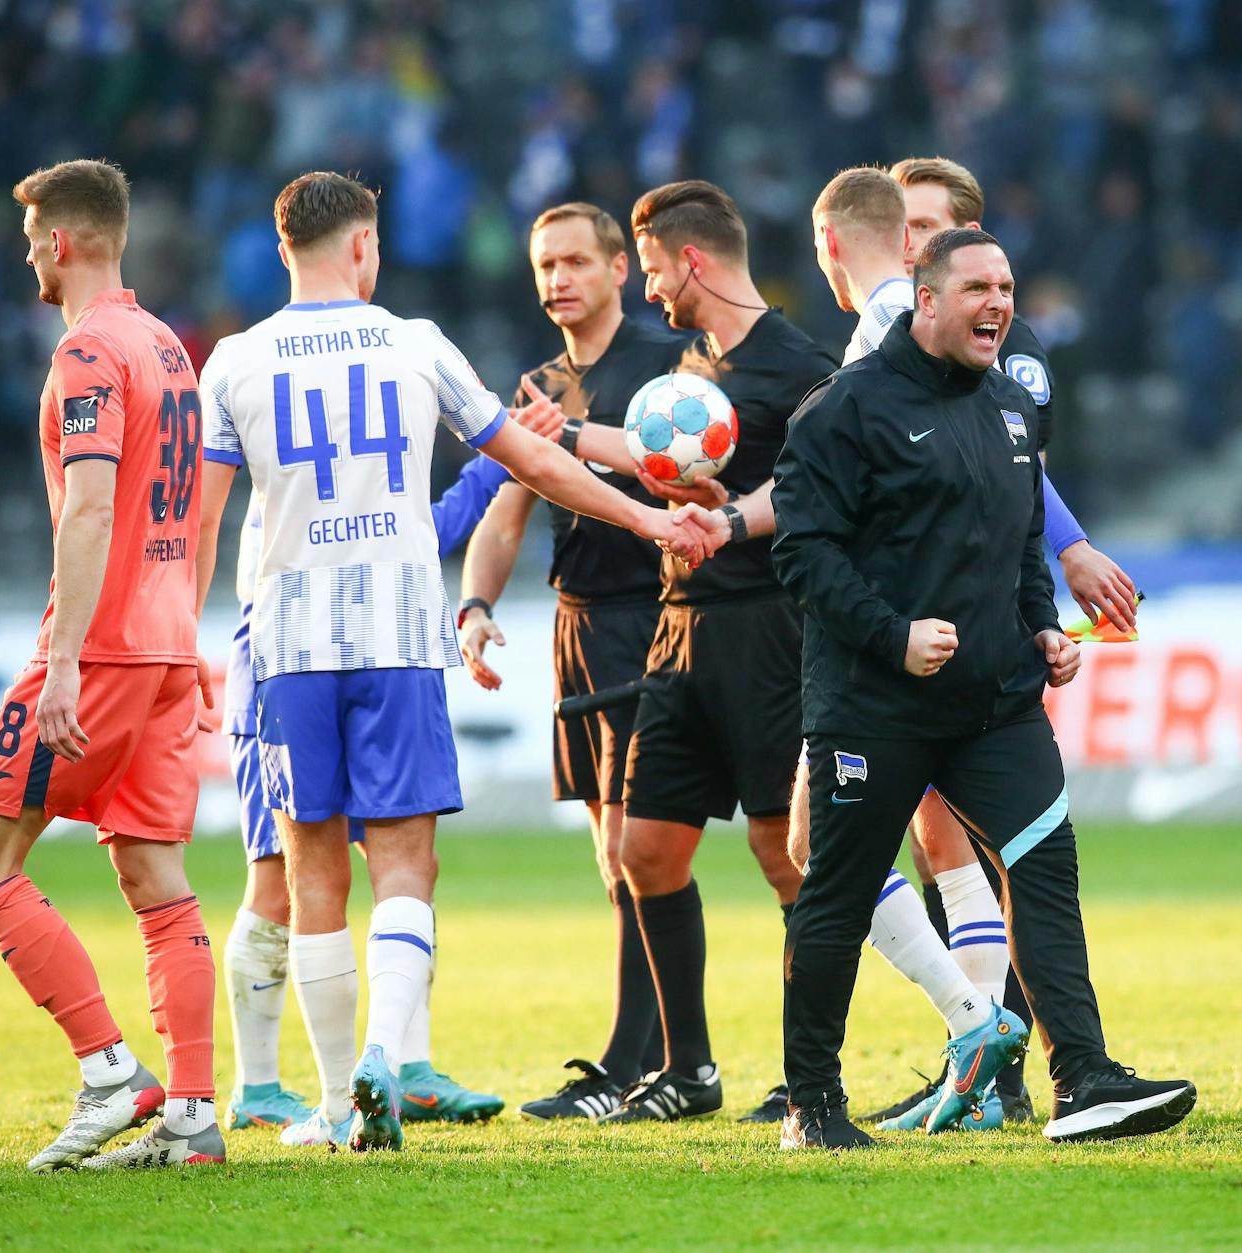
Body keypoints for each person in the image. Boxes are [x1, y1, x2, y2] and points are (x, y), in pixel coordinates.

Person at [194, 172, 702, 1153]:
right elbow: (538, 462)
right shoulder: (413, 343)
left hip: (286, 646)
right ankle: (388, 1054)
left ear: (283, 248)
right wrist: (647, 513)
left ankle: (339, 1100)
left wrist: (177, 643)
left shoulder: (234, 361)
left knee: (309, 876)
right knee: (404, 865)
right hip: (395, 639)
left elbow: (201, 519)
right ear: (364, 248)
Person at [772, 227, 1198, 1149]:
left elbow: (1015, 544)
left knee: (1045, 865)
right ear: (926, 298)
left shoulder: (1011, 408)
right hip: (872, 707)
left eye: (1005, 288)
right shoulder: (842, 410)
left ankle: (1082, 1076)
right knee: (837, 898)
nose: (998, 304)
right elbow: (801, 554)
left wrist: (1042, 624)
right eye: (977, 288)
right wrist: (894, 636)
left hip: (995, 707)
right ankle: (812, 1103)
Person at [817, 155, 1139, 1125]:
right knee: (938, 842)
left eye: (928, 228)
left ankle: (987, 1048)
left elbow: (1002, 465)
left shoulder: (1005, 351)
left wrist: (1069, 548)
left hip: (963, 633)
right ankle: (981, 1055)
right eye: (905, 229)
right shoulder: (884, 336)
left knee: (961, 845)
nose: (909, 244)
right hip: (900, 629)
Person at [516, 179, 834, 1125]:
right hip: (676, 625)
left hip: (768, 631)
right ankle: (688, 1069)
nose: (650, 291)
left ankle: (808, 1068)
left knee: (787, 860)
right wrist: (570, 432)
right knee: (645, 850)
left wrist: (731, 519)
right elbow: (663, 457)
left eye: (652, 271)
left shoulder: (799, 364)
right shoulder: (693, 366)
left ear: (691, 260)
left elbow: (814, 487)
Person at [0, 158, 224, 1171]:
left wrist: (61, 662)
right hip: (162, 642)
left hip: (98, 645)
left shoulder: (90, 355)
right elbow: (187, 511)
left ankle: (110, 1070)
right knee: (154, 870)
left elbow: (98, 503)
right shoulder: (167, 347)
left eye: (30, 237)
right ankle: (191, 1115)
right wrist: (182, 635)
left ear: (61, 241)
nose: (26, 251)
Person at [456, 202, 687, 1120]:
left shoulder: (666, 368)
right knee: (610, 855)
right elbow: (508, 511)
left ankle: (641, 1058)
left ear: (620, 268)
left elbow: (686, 469)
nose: (558, 279)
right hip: (577, 626)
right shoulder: (539, 382)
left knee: (643, 848)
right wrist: (474, 603)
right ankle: (659, 1051)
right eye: (545, 264)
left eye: (576, 261)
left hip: (655, 616)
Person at [221, 457, 511, 1139]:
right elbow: (420, 534)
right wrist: (493, 465)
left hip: (350, 657)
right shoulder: (310, 456)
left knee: (408, 870)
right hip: (286, 666)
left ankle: (409, 1068)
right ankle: (257, 1082)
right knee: (281, 883)